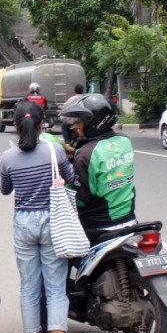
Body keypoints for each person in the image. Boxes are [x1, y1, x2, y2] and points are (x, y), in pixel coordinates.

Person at [0, 101, 77, 333]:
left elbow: (5, 189)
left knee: (29, 287)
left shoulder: (8, 157)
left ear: (16, 125)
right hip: (52, 219)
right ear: (43, 123)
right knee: (56, 287)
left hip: (23, 222)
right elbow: (70, 177)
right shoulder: (54, 150)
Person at [59, 93, 137, 243]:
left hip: (99, 226)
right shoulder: (124, 141)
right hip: (129, 218)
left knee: (63, 255)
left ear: (92, 122)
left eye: (79, 123)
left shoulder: (86, 153)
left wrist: (64, 185)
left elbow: (80, 198)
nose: (77, 128)